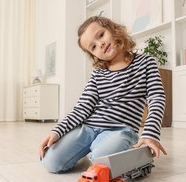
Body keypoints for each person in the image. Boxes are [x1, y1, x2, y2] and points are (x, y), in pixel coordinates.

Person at [39, 16, 167, 174]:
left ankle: (103, 152)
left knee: (102, 164)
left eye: (101, 35)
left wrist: (151, 133)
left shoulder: (146, 63)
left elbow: (157, 98)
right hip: (87, 128)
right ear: (94, 55)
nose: (100, 44)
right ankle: (91, 150)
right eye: (93, 47)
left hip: (120, 130)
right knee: (51, 162)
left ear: (113, 29)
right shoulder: (98, 74)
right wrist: (57, 131)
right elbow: (82, 108)